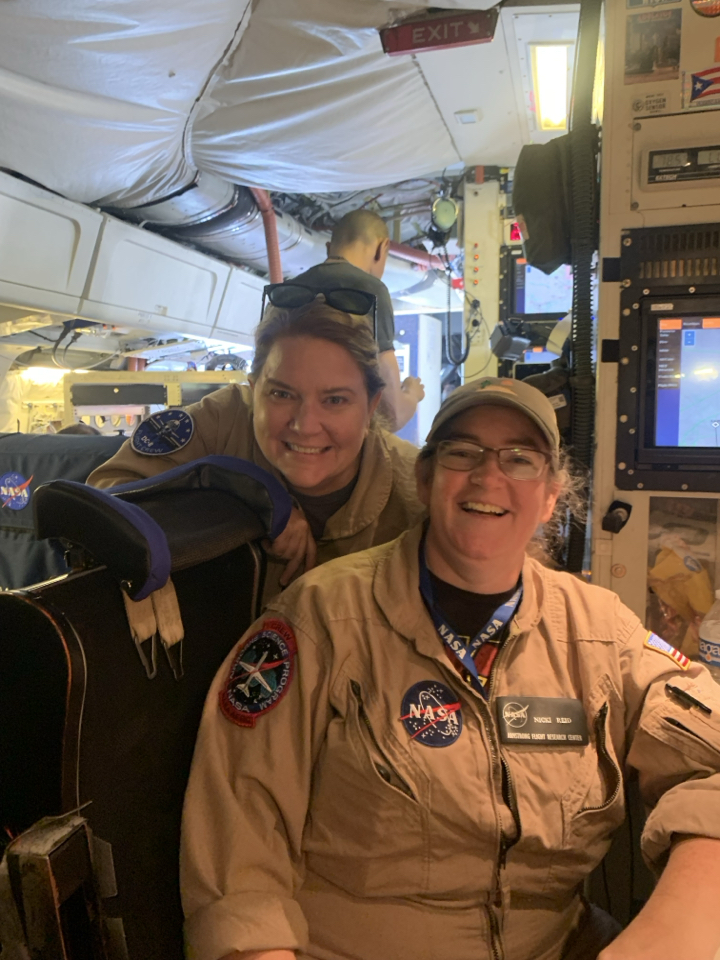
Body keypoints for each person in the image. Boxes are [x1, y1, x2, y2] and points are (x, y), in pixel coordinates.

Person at [181, 376, 720, 960]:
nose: (489, 477)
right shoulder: (318, 622)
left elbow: (709, 750)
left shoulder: (597, 630)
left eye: (519, 458)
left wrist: (673, 929)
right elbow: (239, 864)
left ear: (548, 496)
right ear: (425, 478)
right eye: (463, 453)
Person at [88, 300, 425, 605]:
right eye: (281, 394)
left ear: (371, 408)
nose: (305, 425)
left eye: (335, 400)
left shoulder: (418, 495)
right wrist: (246, 499)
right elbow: (105, 497)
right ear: (254, 392)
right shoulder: (223, 422)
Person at [294, 209, 425, 431]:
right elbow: (391, 416)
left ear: (329, 249)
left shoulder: (289, 291)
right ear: (382, 248)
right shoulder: (371, 291)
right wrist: (412, 394)